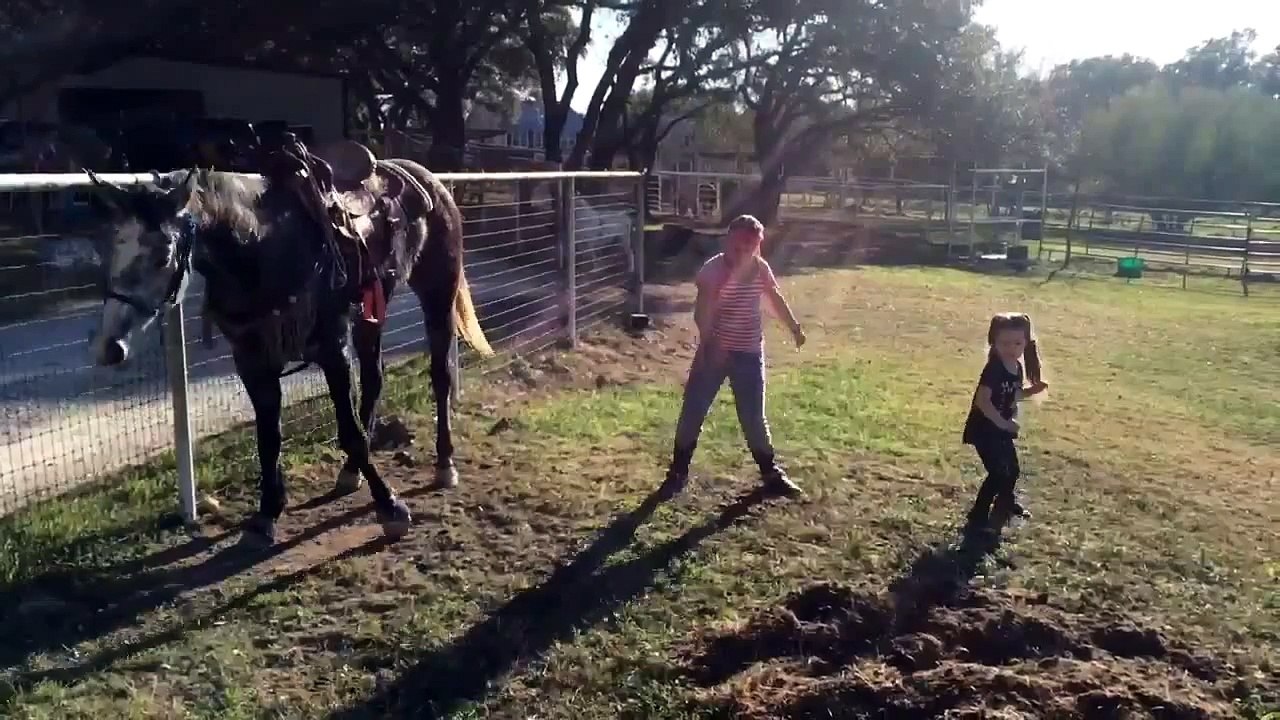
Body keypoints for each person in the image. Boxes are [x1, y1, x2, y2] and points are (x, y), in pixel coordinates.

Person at [661, 214, 806, 498]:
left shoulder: (760, 268)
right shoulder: (712, 271)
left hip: (749, 353)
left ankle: (770, 473)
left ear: (757, 246)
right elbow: (702, 312)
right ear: (727, 241)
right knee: (693, 411)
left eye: (749, 248)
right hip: (713, 352)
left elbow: (774, 297)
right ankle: (677, 472)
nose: (743, 253)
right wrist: (708, 345)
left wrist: (794, 327)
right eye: (738, 246)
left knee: (753, 417)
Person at [961, 312, 1049, 534]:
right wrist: (1003, 423)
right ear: (994, 341)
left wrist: (1030, 391)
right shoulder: (994, 369)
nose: (1011, 348)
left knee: (1012, 470)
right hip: (985, 430)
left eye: (1017, 343)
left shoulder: (1016, 367)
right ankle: (978, 514)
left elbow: (1012, 394)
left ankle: (1005, 504)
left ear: (1026, 342)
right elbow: (983, 401)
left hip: (1001, 429)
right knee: (999, 472)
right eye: (1005, 343)